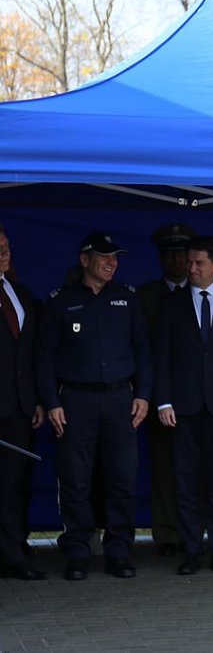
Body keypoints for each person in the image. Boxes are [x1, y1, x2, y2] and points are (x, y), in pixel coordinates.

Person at [39, 232, 152, 580]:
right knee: (75, 479)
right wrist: (52, 401)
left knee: (121, 478)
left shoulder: (127, 299)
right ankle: (77, 550)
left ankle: (118, 550)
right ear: (84, 259)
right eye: (104, 256)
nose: (111, 262)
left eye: (115, 257)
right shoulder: (61, 300)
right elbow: (44, 356)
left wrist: (143, 394)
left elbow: (143, 350)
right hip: (76, 401)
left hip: (120, 399)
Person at [153, 235, 213, 575]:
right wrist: (163, 400)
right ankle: (192, 550)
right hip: (183, 407)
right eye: (189, 262)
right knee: (186, 481)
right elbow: (161, 356)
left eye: (198, 263)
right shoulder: (172, 303)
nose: (191, 268)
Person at [138, 222, 195, 558]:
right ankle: (167, 533)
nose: (175, 260)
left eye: (181, 253)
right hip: (162, 396)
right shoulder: (145, 297)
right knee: (164, 467)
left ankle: (195, 531)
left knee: (198, 469)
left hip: (202, 397)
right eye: (169, 253)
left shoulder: (207, 293)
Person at [0, 225, 45, 580]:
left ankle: (13, 552)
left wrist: (37, 399)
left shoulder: (19, 293)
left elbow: (31, 353)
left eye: (6, 246)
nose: (4, 252)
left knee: (14, 484)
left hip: (19, 406)